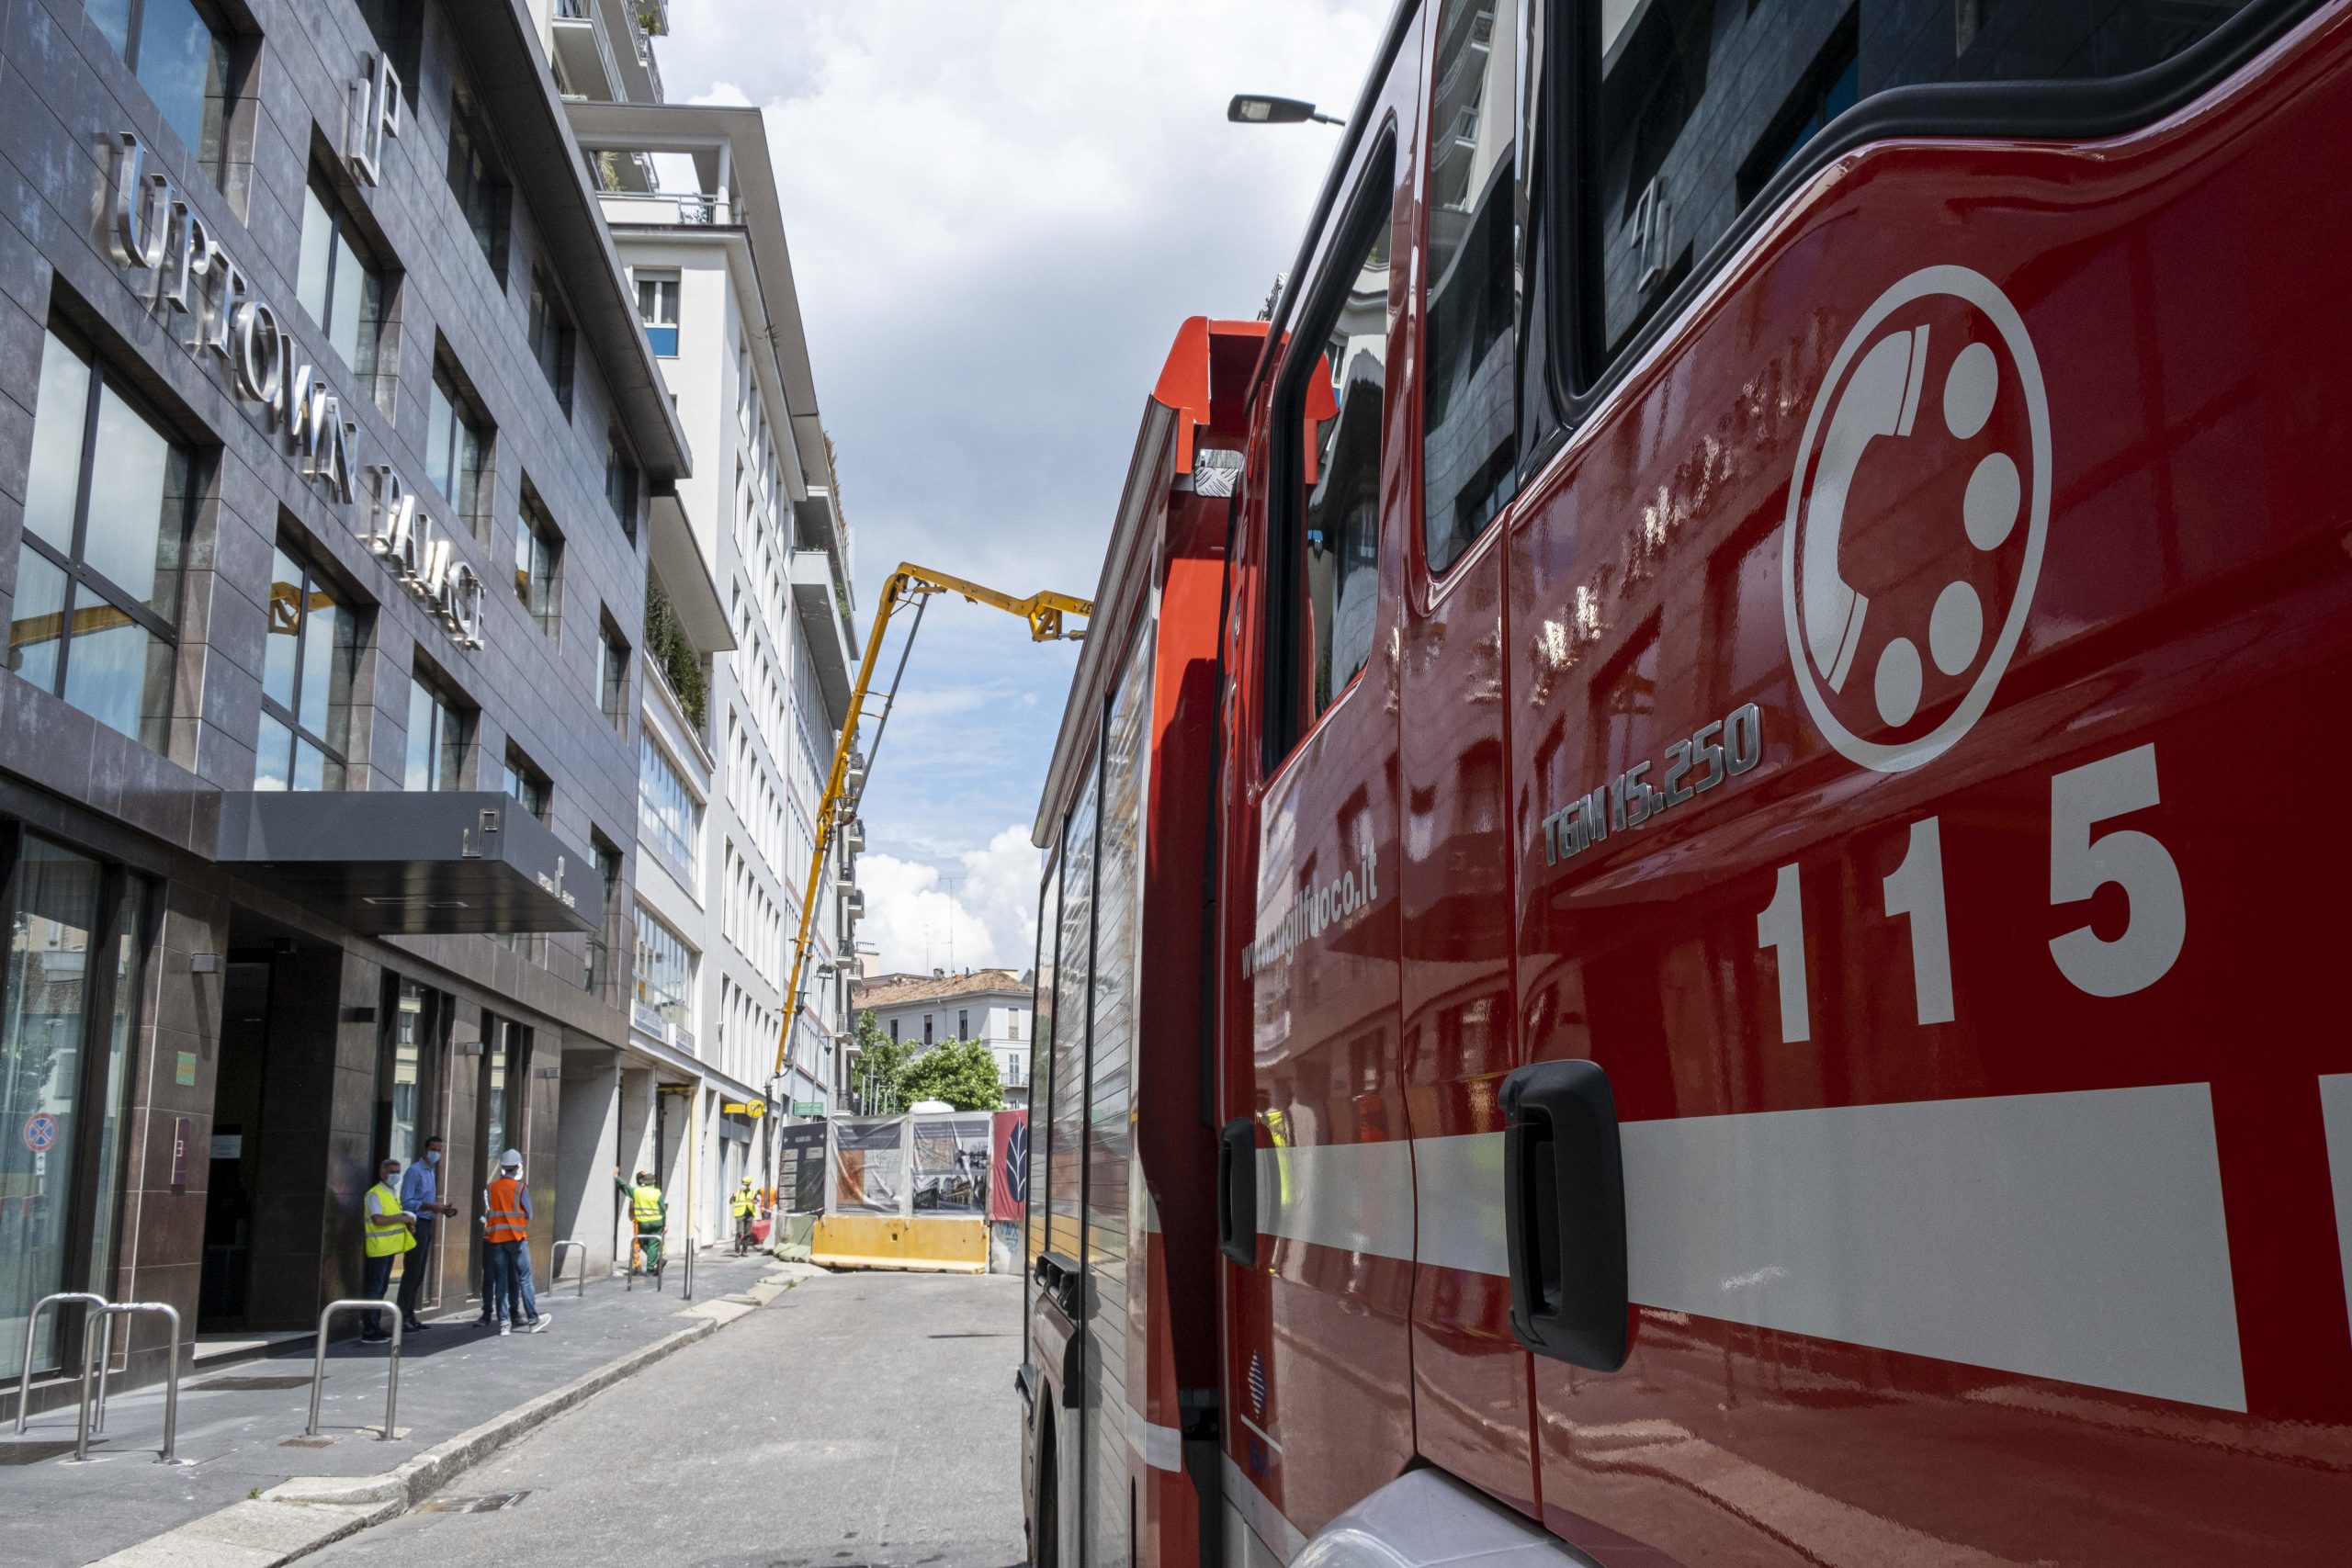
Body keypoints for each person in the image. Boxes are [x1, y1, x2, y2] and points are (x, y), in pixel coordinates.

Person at [395, 1136, 458, 1332]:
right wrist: (431, 1206)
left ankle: (410, 1314)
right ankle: (402, 1315)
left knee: (420, 1273)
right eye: (433, 1149)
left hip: (428, 1222)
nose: (436, 1153)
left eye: (439, 1150)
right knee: (412, 1271)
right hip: (417, 1224)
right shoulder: (415, 1171)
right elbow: (407, 1201)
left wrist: (441, 1210)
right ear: (425, 1149)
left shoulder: (430, 1171)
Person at [360, 1158, 416, 1343]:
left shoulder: (392, 1192)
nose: (395, 1175)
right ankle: (369, 1330)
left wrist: (406, 1220)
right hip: (378, 1249)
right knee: (374, 1290)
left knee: (381, 1288)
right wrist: (402, 1218)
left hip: (389, 1248)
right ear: (382, 1172)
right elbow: (378, 1220)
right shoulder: (375, 1194)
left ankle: (375, 1326)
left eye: (398, 1171)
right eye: (392, 1171)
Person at [481, 1150, 534, 1335]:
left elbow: (488, 1214)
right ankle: (533, 1320)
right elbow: (529, 1214)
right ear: (518, 1166)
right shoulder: (521, 1188)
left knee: (500, 1282)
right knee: (524, 1279)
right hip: (517, 1239)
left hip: (496, 1241)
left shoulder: (490, 1188)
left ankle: (504, 1323)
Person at [616, 1167, 665, 1274]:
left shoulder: (637, 1192)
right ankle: (651, 1267)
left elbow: (625, 1186)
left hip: (643, 1223)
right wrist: (664, 1224)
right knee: (653, 1244)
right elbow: (663, 1209)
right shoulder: (657, 1193)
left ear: (641, 1181)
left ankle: (654, 1263)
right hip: (657, 1222)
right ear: (653, 1181)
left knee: (642, 1242)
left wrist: (616, 1177)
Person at [730, 1177, 758, 1254]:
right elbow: (731, 1202)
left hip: (749, 1215)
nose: (744, 1186)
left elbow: (756, 1201)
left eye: (746, 1184)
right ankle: (737, 1250)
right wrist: (733, 1196)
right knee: (739, 1232)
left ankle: (744, 1250)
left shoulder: (753, 1192)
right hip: (739, 1215)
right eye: (743, 1184)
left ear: (749, 1185)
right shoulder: (738, 1192)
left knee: (747, 1233)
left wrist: (753, 1201)